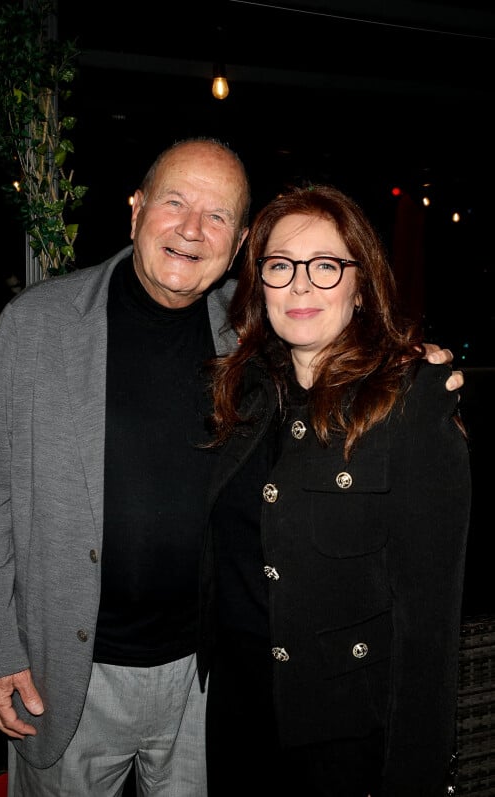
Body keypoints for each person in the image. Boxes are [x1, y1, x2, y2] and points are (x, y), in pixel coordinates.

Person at [0, 138, 461, 797]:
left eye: (217, 215)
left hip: (205, 679)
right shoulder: (35, 327)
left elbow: (341, 350)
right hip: (68, 673)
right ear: (135, 210)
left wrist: (417, 371)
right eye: (175, 203)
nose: (192, 229)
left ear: (241, 241)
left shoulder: (250, 336)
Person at [199, 183, 472, 797]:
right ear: (259, 283)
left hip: (347, 740)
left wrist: (416, 776)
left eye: (325, 266)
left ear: (360, 286)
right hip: (239, 723)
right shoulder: (239, 396)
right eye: (280, 266)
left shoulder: (410, 408)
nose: (299, 285)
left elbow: (429, 634)